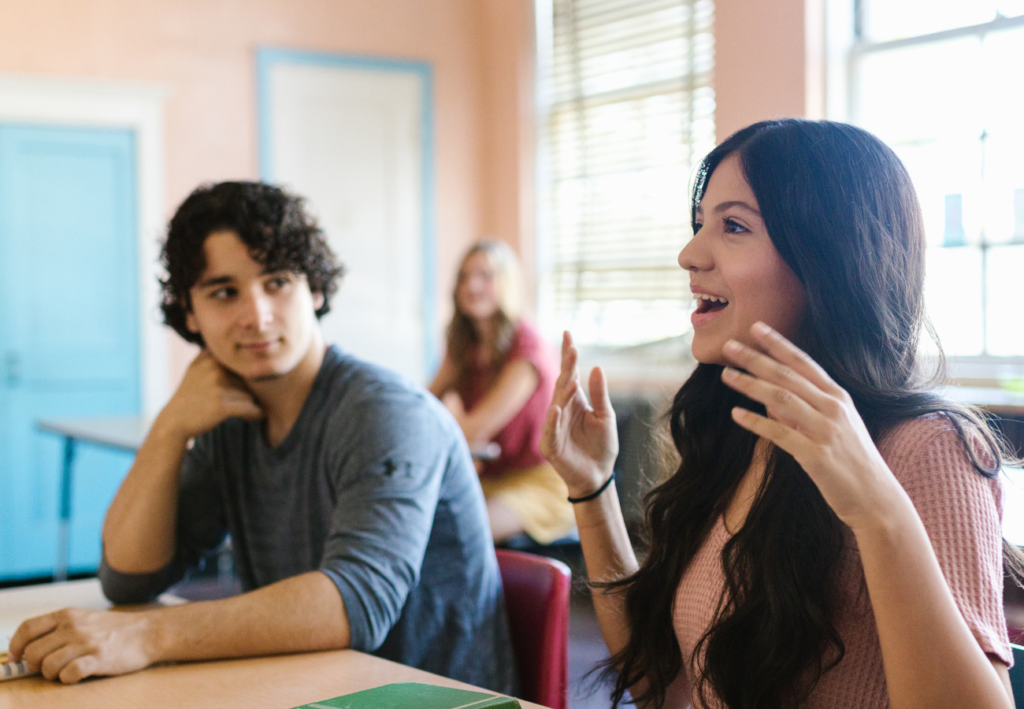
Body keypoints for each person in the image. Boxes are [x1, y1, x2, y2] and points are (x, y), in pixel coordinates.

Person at [541, 120, 1018, 709]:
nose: (690, 254)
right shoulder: (744, 433)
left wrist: (877, 510)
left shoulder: (930, 448)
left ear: (828, 258)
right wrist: (592, 488)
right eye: (699, 226)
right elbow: (658, 686)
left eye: (733, 226)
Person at [8, 181, 517, 693]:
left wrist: (146, 634)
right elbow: (130, 577)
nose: (257, 315)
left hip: (429, 700)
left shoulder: (385, 411)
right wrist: (170, 428)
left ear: (314, 289)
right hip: (306, 687)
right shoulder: (231, 415)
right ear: (190, 313)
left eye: (277, 282)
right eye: (224, 292)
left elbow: (356, 604)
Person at [429, 240, 573, 544]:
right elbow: (423, 405)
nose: (472, 285)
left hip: (540, 483)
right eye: (464, 277)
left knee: (452, 529)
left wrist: (449, 413)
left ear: (506, 282)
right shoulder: (462, 345)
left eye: (485, 275)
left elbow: (476, 427)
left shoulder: (526, 347)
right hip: (486, 480)